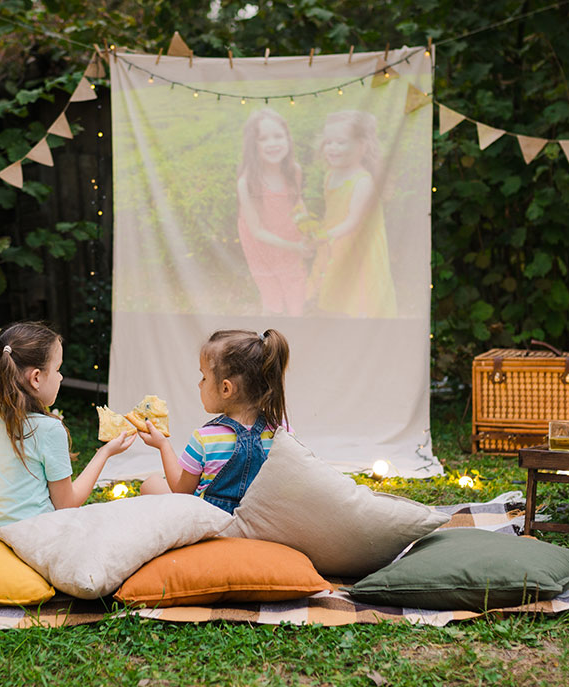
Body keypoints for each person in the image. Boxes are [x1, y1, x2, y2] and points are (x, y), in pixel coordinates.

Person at [0, 322, 135, 534]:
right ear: (36, 378)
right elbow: (67, 504)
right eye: (57, 369)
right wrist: (105, 453)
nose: (61, 377)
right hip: (32, 537)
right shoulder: (49, 429)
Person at [138, 328, 290, 514]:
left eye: (204, 377)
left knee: (151, 484)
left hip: (209, 524)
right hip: (258, 521)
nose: (199, 384)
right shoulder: (282, 430)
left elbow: (181, 491)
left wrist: (163, 446)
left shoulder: (205, 438)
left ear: (226, 389)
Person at [308, 110, 397, 318]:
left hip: (359, 248)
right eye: (329, 142)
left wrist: (323, 236)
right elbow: (333, 211)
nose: (333, 148)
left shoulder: (362, 181)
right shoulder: (330, 175)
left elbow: (352, 222)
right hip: (338, 241)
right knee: (337, 293)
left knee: (360, 294)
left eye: (341, 142)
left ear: (363, 146)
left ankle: (360, 329)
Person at [236, 109, 312, 317]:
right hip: (262, 244)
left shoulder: (293, 170)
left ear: (287, 139)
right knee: (272, 297)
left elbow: (297, 203)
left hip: (289, 234)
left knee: (296, 287)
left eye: (278, 136)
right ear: (254, 146)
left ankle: (296, 326)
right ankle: (266, 341)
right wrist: (294, 247)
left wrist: (307, 231)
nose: (273, 144)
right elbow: (257, 231)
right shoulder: (247, 183)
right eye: (263, 139)